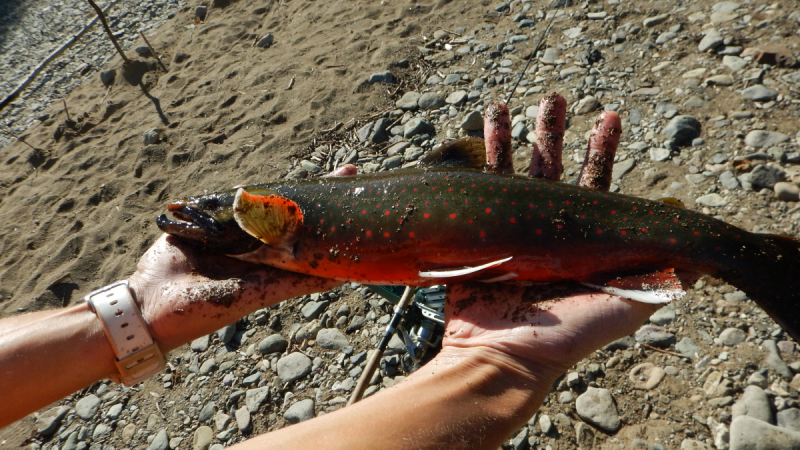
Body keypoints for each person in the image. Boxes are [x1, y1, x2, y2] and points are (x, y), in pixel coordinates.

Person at [0, 95, 667, 449]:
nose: (193, 218)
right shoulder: (278, 229)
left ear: (274, 214)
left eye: (217, 212)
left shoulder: (289, 222)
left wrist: (132, 313)